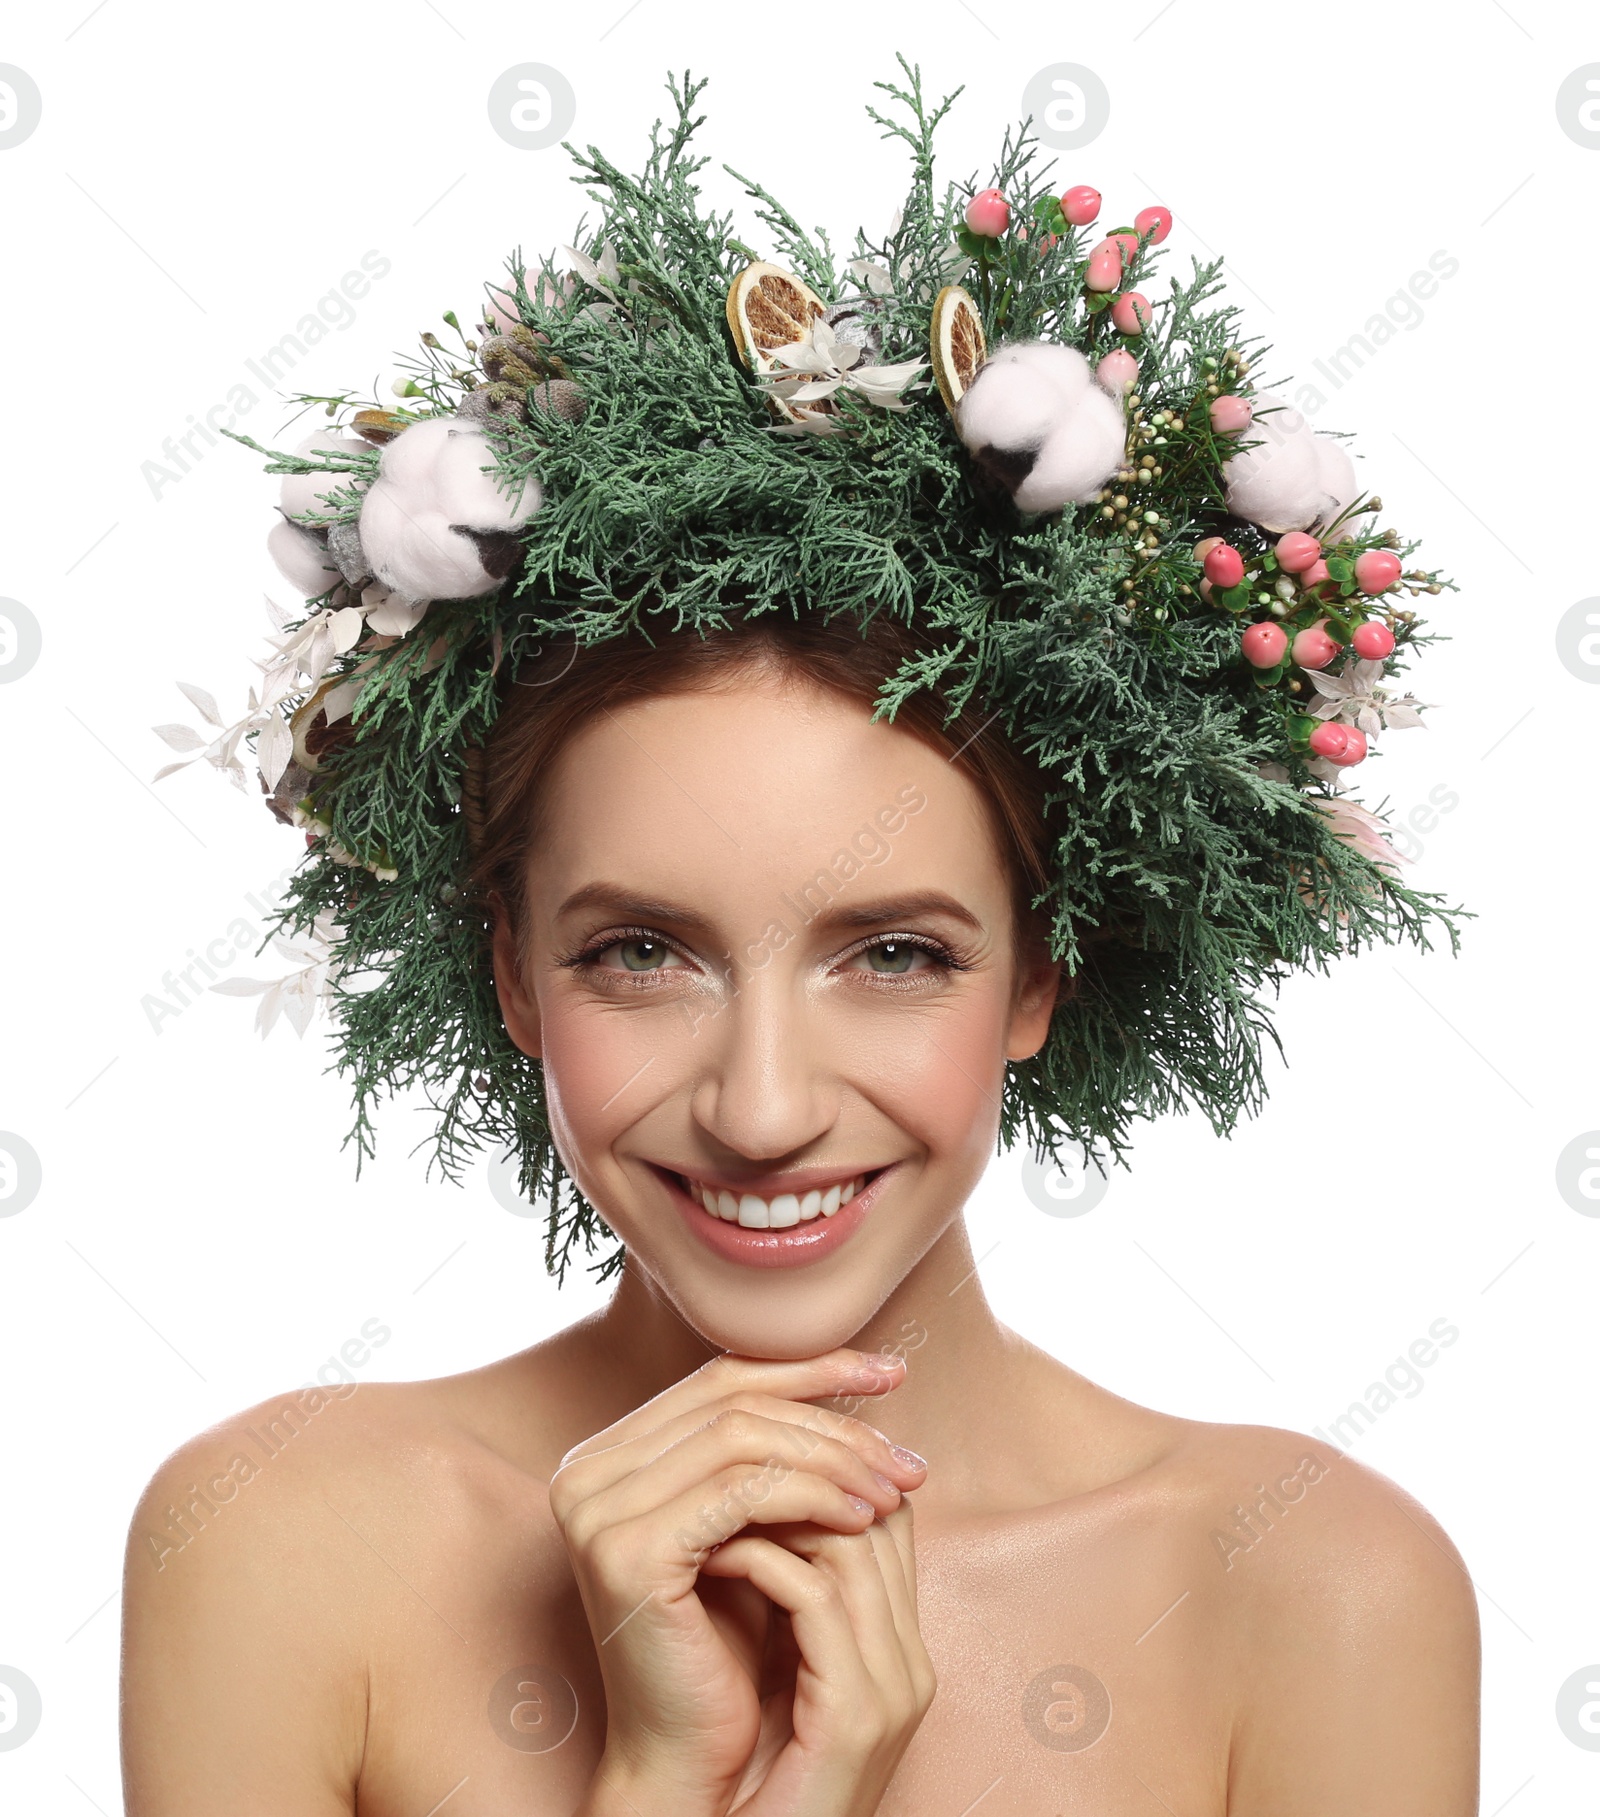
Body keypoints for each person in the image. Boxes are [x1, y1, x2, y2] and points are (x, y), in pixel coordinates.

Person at [125, 71, 1479, 1814]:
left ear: (1042, 974)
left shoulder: (1313, 1594)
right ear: (516, 970)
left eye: (896, 954)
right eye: (642, 953)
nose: (763, 1110)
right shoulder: (277, 1554)